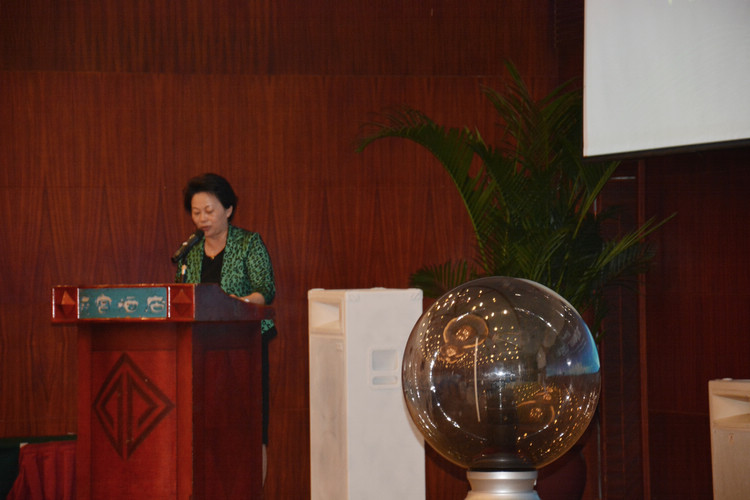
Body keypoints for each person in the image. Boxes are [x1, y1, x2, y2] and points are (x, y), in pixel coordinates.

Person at [176, 172, 276, 481]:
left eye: (209, 211)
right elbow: (182, 299)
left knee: (249, 429)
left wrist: (237, 302)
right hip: (200, 350)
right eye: (196, 212)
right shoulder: (190, 252)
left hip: (244, 348)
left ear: (228, 209)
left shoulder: (248, 244)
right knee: (205, 429)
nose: (202, 219)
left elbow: (265, 291)